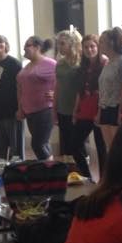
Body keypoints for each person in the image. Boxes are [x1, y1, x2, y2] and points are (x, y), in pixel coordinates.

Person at [71, 33, 107, 179]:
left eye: (92, 46)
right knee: (74, 144)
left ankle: (104, 181)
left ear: (98, 47)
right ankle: (87, 176)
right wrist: (75, 111)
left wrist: (100, 111)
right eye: (86, 47)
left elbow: (105, 91)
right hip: (84, 111)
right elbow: (79, 92)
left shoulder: (105, 63)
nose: (89, 49)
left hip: (99, 111)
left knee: (101, 149)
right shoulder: (83, 67)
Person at [16, 36, 56, 159]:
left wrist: (55, 93)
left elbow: (64, 80)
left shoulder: (50, 63)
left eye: (27, 45)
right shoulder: (27, 66)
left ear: (37, 47)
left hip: (44, 109)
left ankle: (51, 168)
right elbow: (20, 89)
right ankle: (51, 171)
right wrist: (20, 109)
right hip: (29, 111)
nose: (24, 48)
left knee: (37, 145)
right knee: (43, 144)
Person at [53, 29, 83, 160]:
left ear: (72, 44)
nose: (59, 47)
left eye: (62, 44)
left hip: (76, 108)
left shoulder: (81, 63)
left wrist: (77, 108)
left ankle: (82, 171)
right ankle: (70, 170)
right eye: (58, 44)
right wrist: (54, 107)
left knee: (77, 142)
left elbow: (81, 89)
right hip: (62, 107)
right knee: (66, 141)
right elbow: (57, 86)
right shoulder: (60, 63)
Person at [95, 27, 122, 152]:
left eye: (101, 42)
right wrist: (99, 112)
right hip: (105, 107)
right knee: (110, 148)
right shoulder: (107, 63)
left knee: (118, 147)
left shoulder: (121, 61)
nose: (99, 45)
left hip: (115, 107)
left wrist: (121, 111)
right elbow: (103, 89)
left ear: (111, 43)